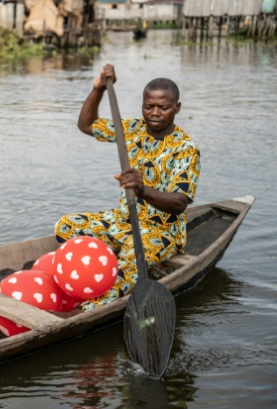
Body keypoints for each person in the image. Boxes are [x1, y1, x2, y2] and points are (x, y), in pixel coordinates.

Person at [54, 64, 200, 312]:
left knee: (135, 253)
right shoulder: (132, 130)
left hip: (162, 231)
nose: (155, 112)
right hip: (125, 219)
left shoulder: (185, 148)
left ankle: (89, 309)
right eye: (148, 106)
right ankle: (118, 262)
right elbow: (86, 124)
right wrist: (98, 88)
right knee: (66, 226)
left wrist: (143, 190)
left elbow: (179, 204)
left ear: (177, 108)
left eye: (163, 107)